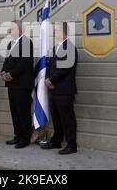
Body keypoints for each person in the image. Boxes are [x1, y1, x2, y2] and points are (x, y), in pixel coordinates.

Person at [41, 22, 78, 155]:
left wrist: (51, 80)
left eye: (55, 30)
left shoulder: (70, 48)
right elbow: (52, 67)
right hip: (53, 89)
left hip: (64, 90)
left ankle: (71, 145)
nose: (53, 33)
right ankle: (56, 141)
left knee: (67, 119)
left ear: (63, 31)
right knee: (56, 118)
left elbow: (65, 68)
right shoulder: (57, 47)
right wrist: (47, 80)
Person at [1, 20, 34, 149]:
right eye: (10, 29)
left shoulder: (27, 42)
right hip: (11, 84)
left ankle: (25, 138)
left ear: (20, 30)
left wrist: (12, 74)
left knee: (23, 112)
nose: (10, 31)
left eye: (13, 29)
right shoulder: (11, 44)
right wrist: (3, 72)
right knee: (14, 111)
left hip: (22, 84)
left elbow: (25, 62)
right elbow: (7, 60)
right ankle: (17, 135)